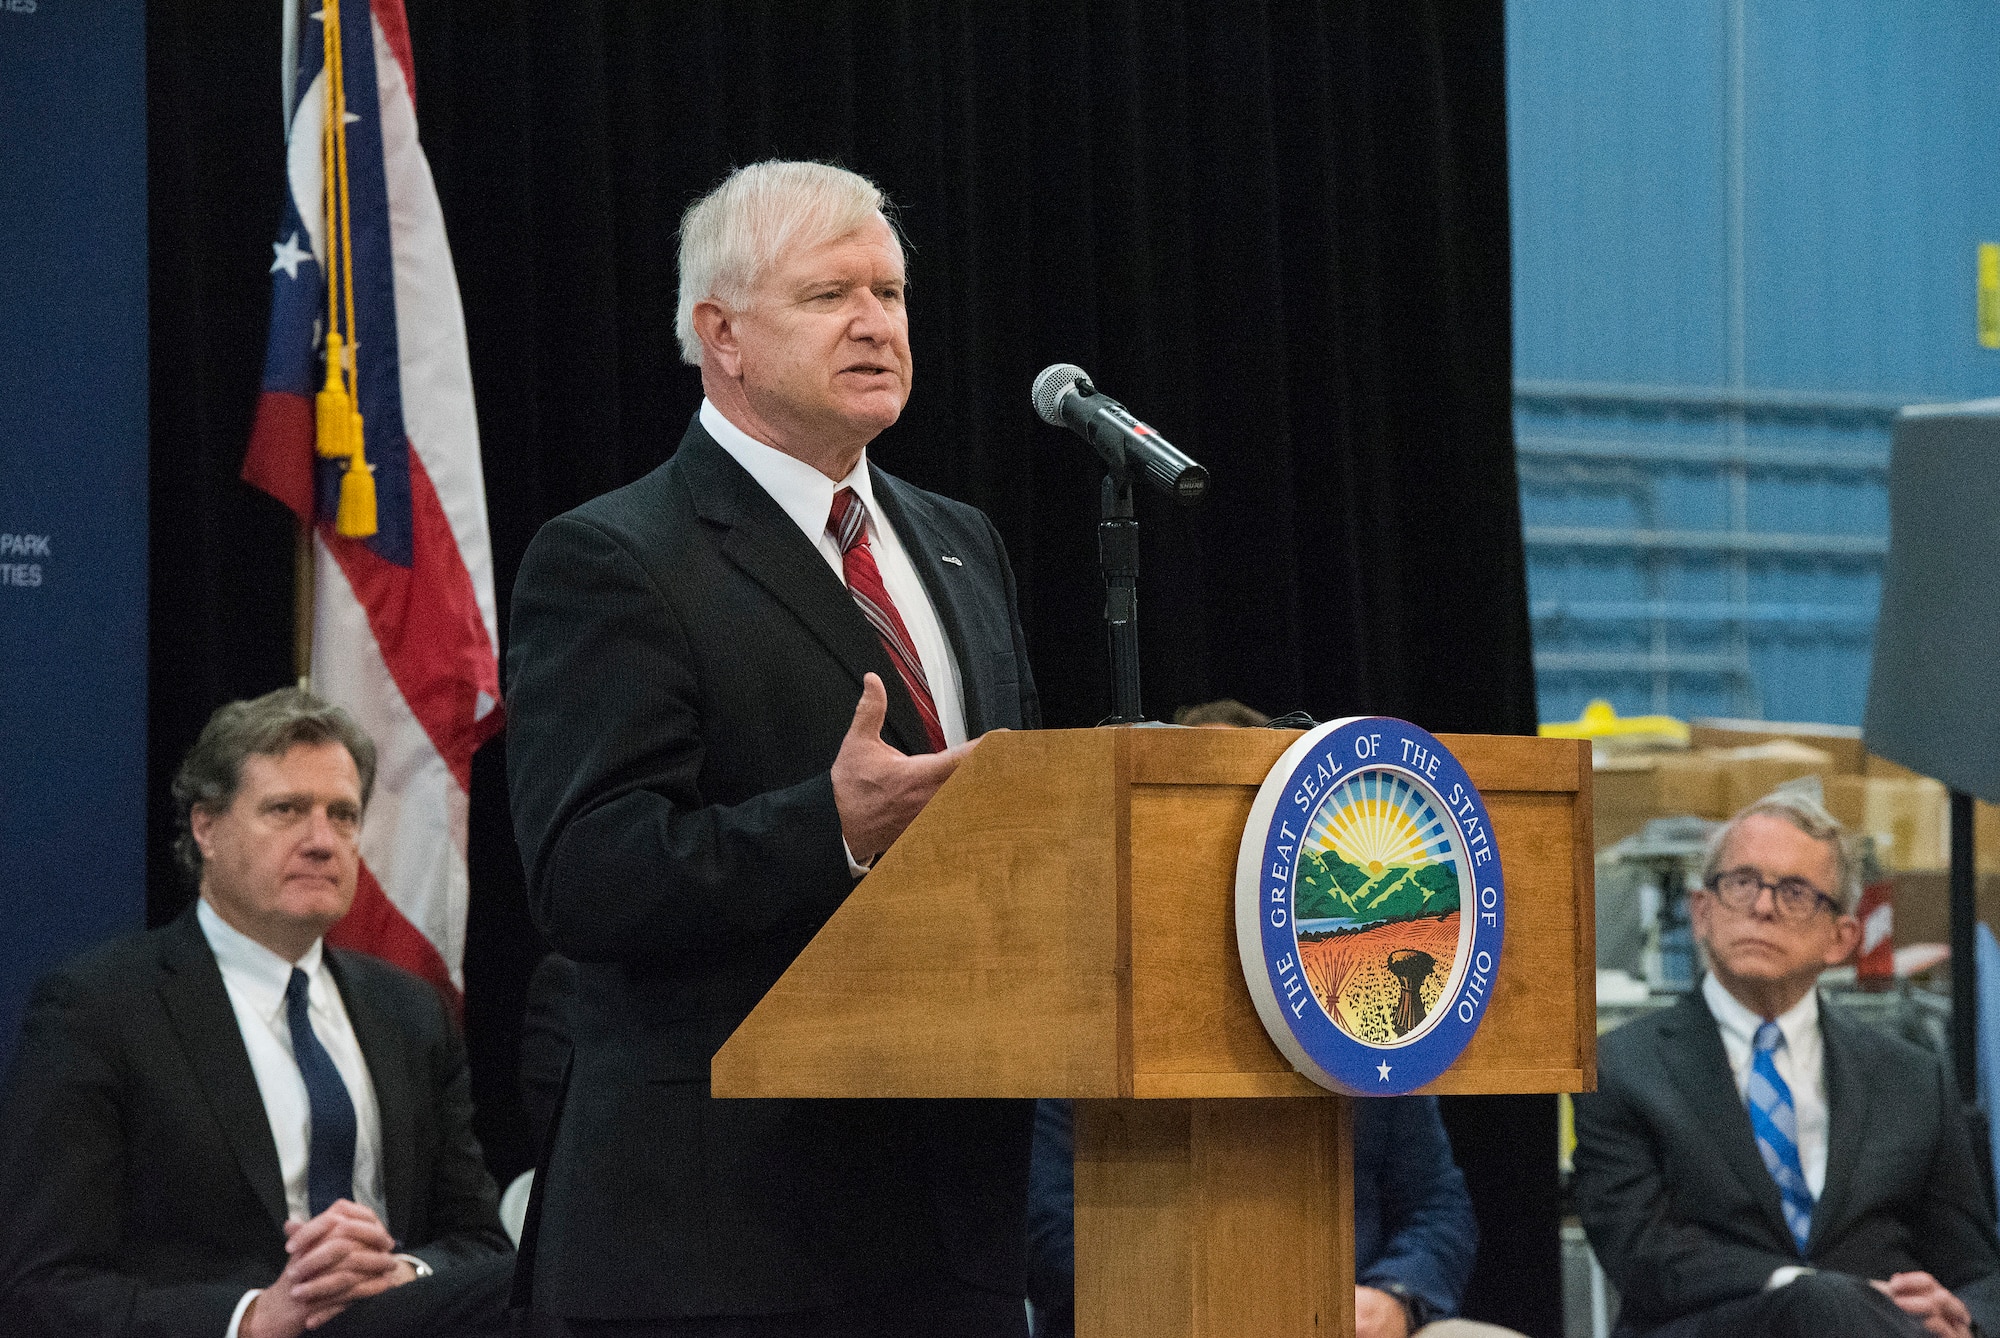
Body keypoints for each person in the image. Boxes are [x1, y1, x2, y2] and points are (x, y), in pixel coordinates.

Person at [505, 160, 1040, 1337]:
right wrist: (831, 828)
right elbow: (587, 876)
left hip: (946, 1225)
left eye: (890, 294)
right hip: (717, 1239)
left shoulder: (960, 543)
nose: (874, 324)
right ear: (723, 336)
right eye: (826, 296)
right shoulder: (613, 558)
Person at [0, 688, 513, 1338]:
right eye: (286, 810)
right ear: (205, 828)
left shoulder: (410, 1011)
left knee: (569, 1271)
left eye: (343, 815)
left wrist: (401, 1274)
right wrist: (253, 1319)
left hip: (400, 1322)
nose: (322, 841)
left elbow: (481, 1242)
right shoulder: (99, 1010)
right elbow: (41, 1288)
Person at [1573, 791, 2000, 1338]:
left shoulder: (1913, 1076)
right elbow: (1645, 1258)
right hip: (1712, 1327)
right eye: (1743, 883)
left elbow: (1978, 1272)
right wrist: (1813, 1289)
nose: (1764, 907)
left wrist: (1963, 1318)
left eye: (1795, 892)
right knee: (1818, 1305)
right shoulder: (1619, 1067)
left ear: (1841, 938)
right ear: (1702, 911)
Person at [1026, 1096, 1486, 1337]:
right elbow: (1053, 1239)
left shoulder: (1364, 1037)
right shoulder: (1093, 1042)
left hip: (1353, 1315)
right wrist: (1247, 1311)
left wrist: (1395, 1300)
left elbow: (1437, 1207)